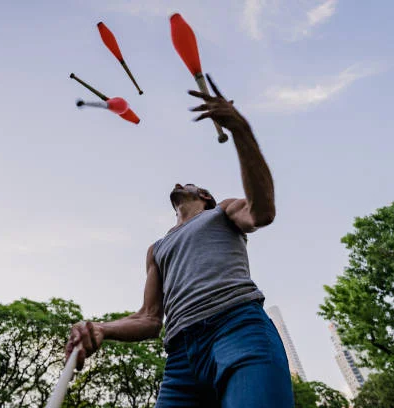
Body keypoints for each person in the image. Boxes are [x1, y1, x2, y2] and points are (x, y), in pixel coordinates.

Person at [66, 75, 294, 407]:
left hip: (237, 328)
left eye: (186, 182)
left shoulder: (223, 211)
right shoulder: (157, 248)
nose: (177, 182)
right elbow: (148, 318)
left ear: (204, 195)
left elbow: (262, 212)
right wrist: (102, 328)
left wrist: (241, 131)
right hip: (181, 358)